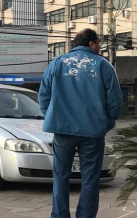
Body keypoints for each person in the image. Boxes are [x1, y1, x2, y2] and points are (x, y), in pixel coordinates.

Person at [39, 28, 122, 218]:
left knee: (61, 177)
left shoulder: (56, 64)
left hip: (62, 131)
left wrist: (54, 117)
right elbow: (115, 101)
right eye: (99, 43)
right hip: (93, 132)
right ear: (91, 44)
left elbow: (44, 96)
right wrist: (106, 123)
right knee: (90, 179)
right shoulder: (103, 66)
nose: (100, 47)